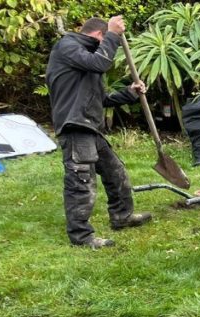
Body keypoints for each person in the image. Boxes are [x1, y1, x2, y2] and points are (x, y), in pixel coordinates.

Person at [46, 15, 152, 250]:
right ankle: (81, 236)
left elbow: (101, 99)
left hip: (90, 127)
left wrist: (130, 93)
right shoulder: (68, 46)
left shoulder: (86, 62)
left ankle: (122, 217)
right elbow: (100, 63)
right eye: (106, 40)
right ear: (99, 35)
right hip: (75, 126)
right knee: (81, 181)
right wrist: (114, 33)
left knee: (116, 172)